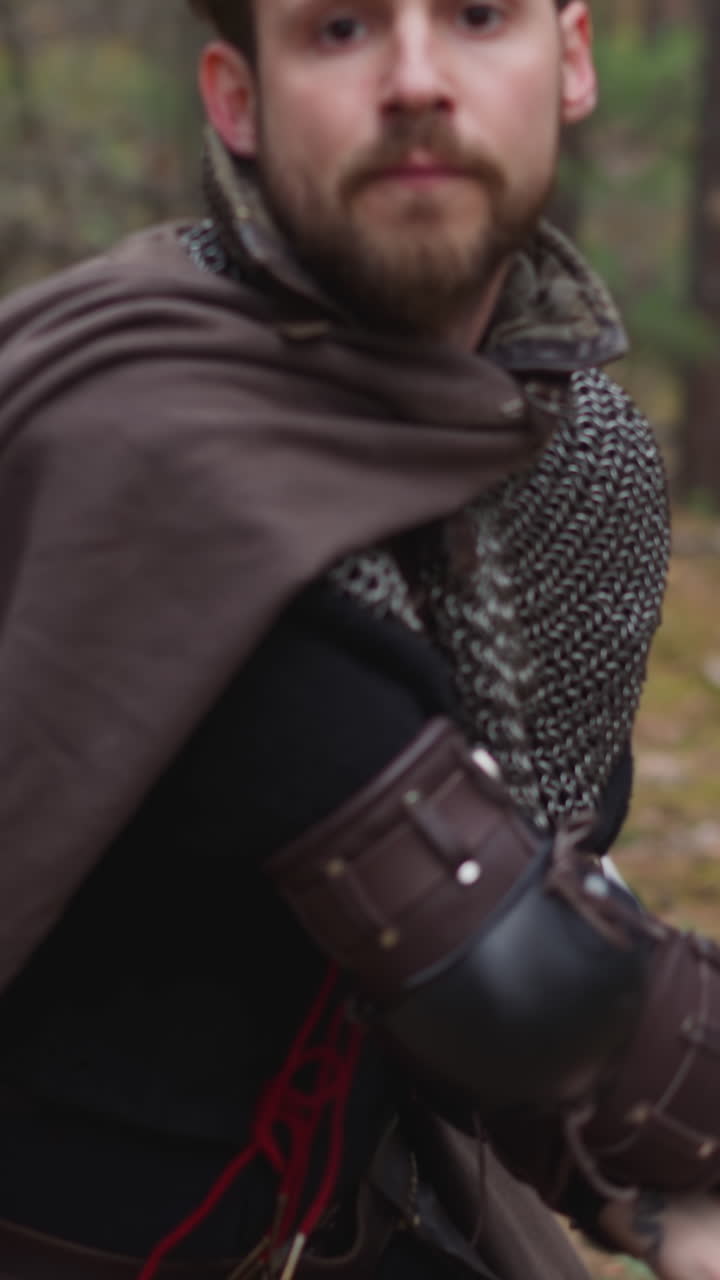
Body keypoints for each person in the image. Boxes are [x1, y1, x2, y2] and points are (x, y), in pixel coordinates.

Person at [1, 2, 720, 1279]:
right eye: (339, 27)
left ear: (569, 60)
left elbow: (534, 920)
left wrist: (635, 1181)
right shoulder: (147, 423)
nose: (416, 80)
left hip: (364, 1177)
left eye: (478, 16)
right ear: (236, 97)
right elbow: (513, 967)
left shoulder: (580, 459)